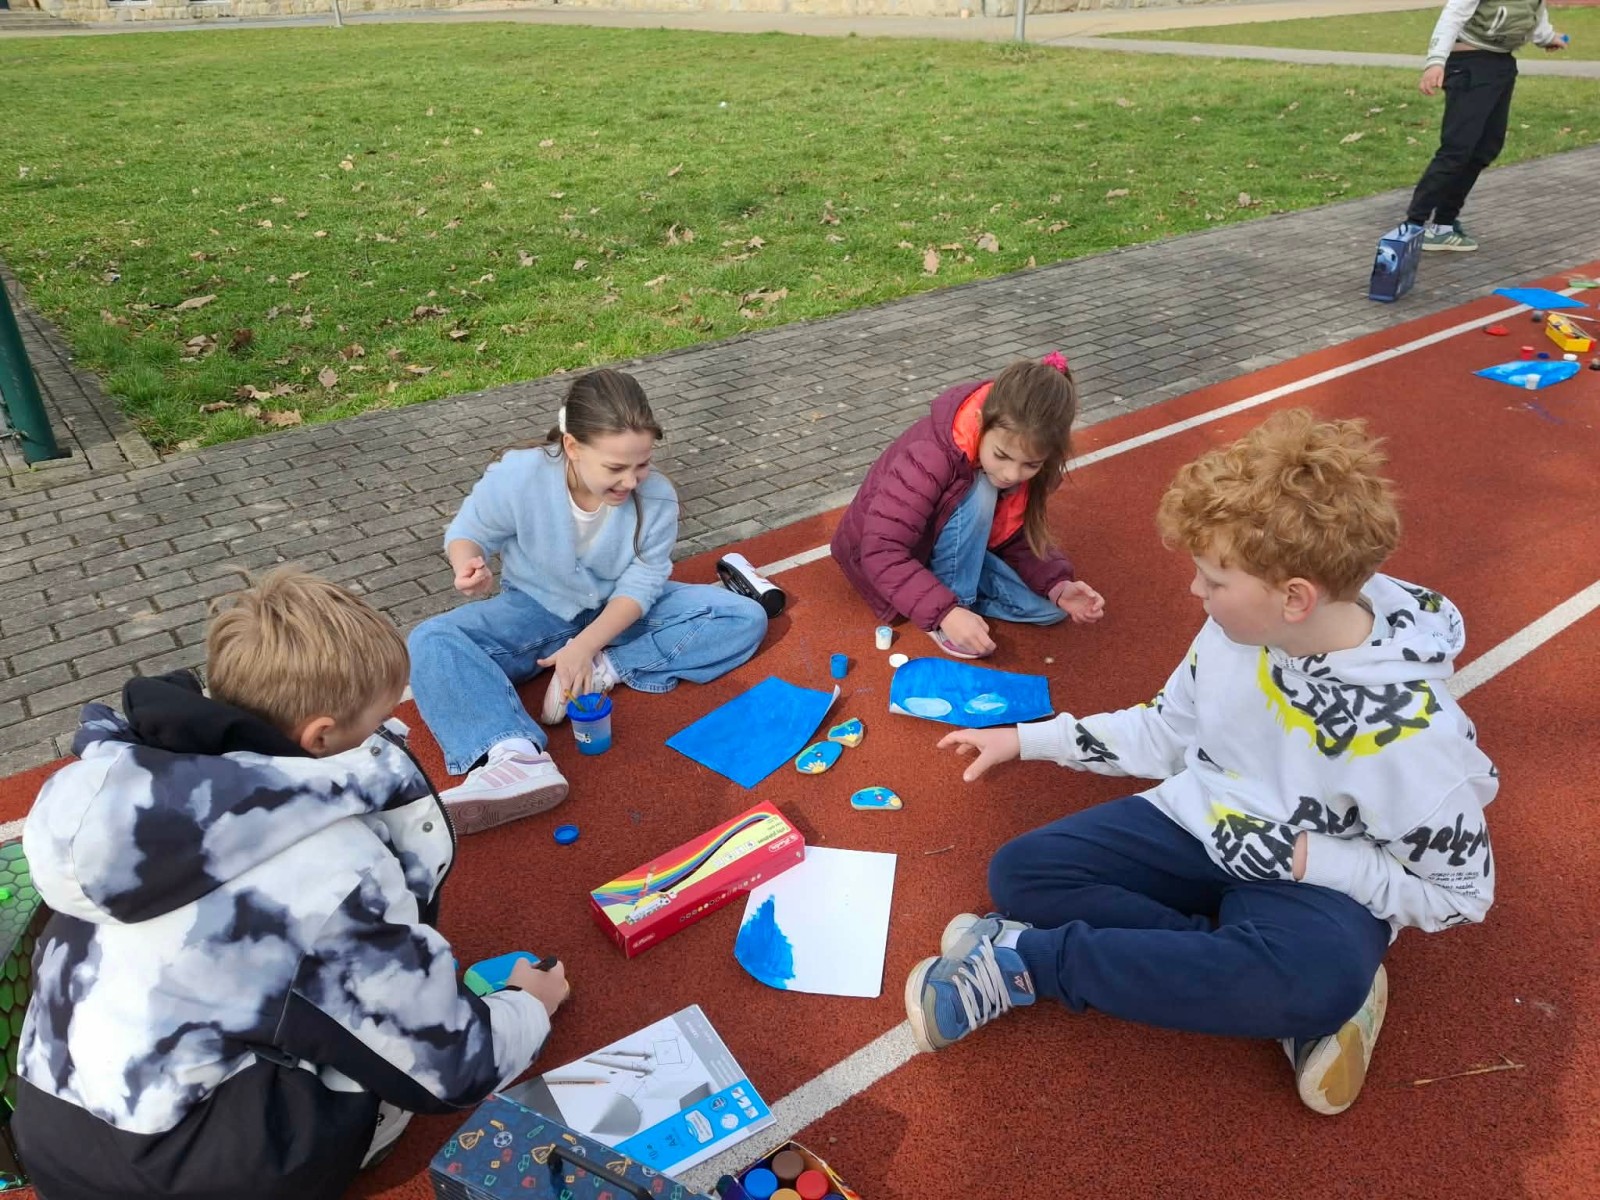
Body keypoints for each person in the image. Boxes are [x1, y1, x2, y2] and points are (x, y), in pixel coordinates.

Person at [907, 411, 1497, 1115]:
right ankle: (1243, 972)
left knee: (1315, 979)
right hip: (1202, 822)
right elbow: (1166, 731)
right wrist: (1030, 740)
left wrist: (1307, 859)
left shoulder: (1414, 738)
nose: (1196, 593)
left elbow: (1461, 896)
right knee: (1022, 874)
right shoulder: (1238, 630)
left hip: (1313, 881)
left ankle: (1026, 964)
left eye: (1214, 580)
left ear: (1295, 597)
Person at [12, 568, 571, 1200]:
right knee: (373, 1046)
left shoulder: (130, 798)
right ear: (321, 737)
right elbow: (451, 1065)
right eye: (380, 722)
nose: (392, 736)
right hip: (191, 1179)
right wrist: (528, 1004)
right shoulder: (327, 871)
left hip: (52, 1136)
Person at [408, 368, 768, 833]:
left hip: (620, 611)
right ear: (573, 447)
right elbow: (468, 531)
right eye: (615, 468)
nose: (632, 481)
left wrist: (586, 649)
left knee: (743, 614)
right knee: (431, 639)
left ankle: (606, 669)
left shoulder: (657, 497)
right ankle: (513, 755)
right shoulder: (519, 474)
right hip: (534, 610)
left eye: (642, 464)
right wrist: (467, 564)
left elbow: (642, 585)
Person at [830, 354, 1105, 659]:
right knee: (983, 489)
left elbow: (1012, 534)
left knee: (1051, 610)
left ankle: (953, 597)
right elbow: (881, 550)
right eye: (1001, 456)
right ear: (980, 423)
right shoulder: (930, 456)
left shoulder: (1026, 459)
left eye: (1030, 464)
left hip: (941, 541)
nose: (1011, 473)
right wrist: (946, 613)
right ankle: (954, 606)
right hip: (878, 557)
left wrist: (1057, 583)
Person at [1405, 0, 1567, 252]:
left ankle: (1443, 225)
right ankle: (1411, 228)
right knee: (1457, 149)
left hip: (1501, 64)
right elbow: (1453, 14)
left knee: (1485, 148)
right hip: (1469, 62)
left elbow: (1533, 11)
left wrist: (1547, 38)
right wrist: (1436, 61)